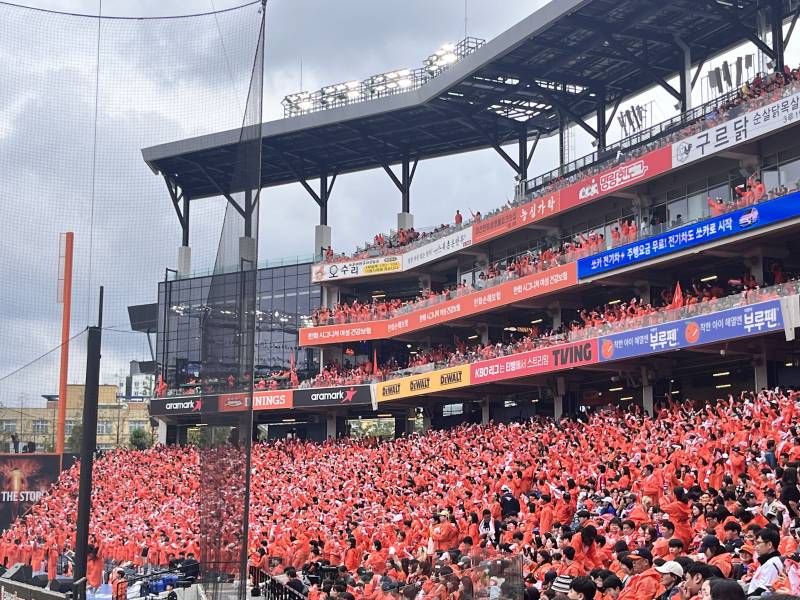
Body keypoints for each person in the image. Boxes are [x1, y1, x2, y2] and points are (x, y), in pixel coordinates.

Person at [747, 527, 783, 597]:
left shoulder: (772, 563)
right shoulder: (766, 561)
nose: (756, 547)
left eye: (758, 543)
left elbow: (763, 590)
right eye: (755, 544)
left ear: (769, 545)